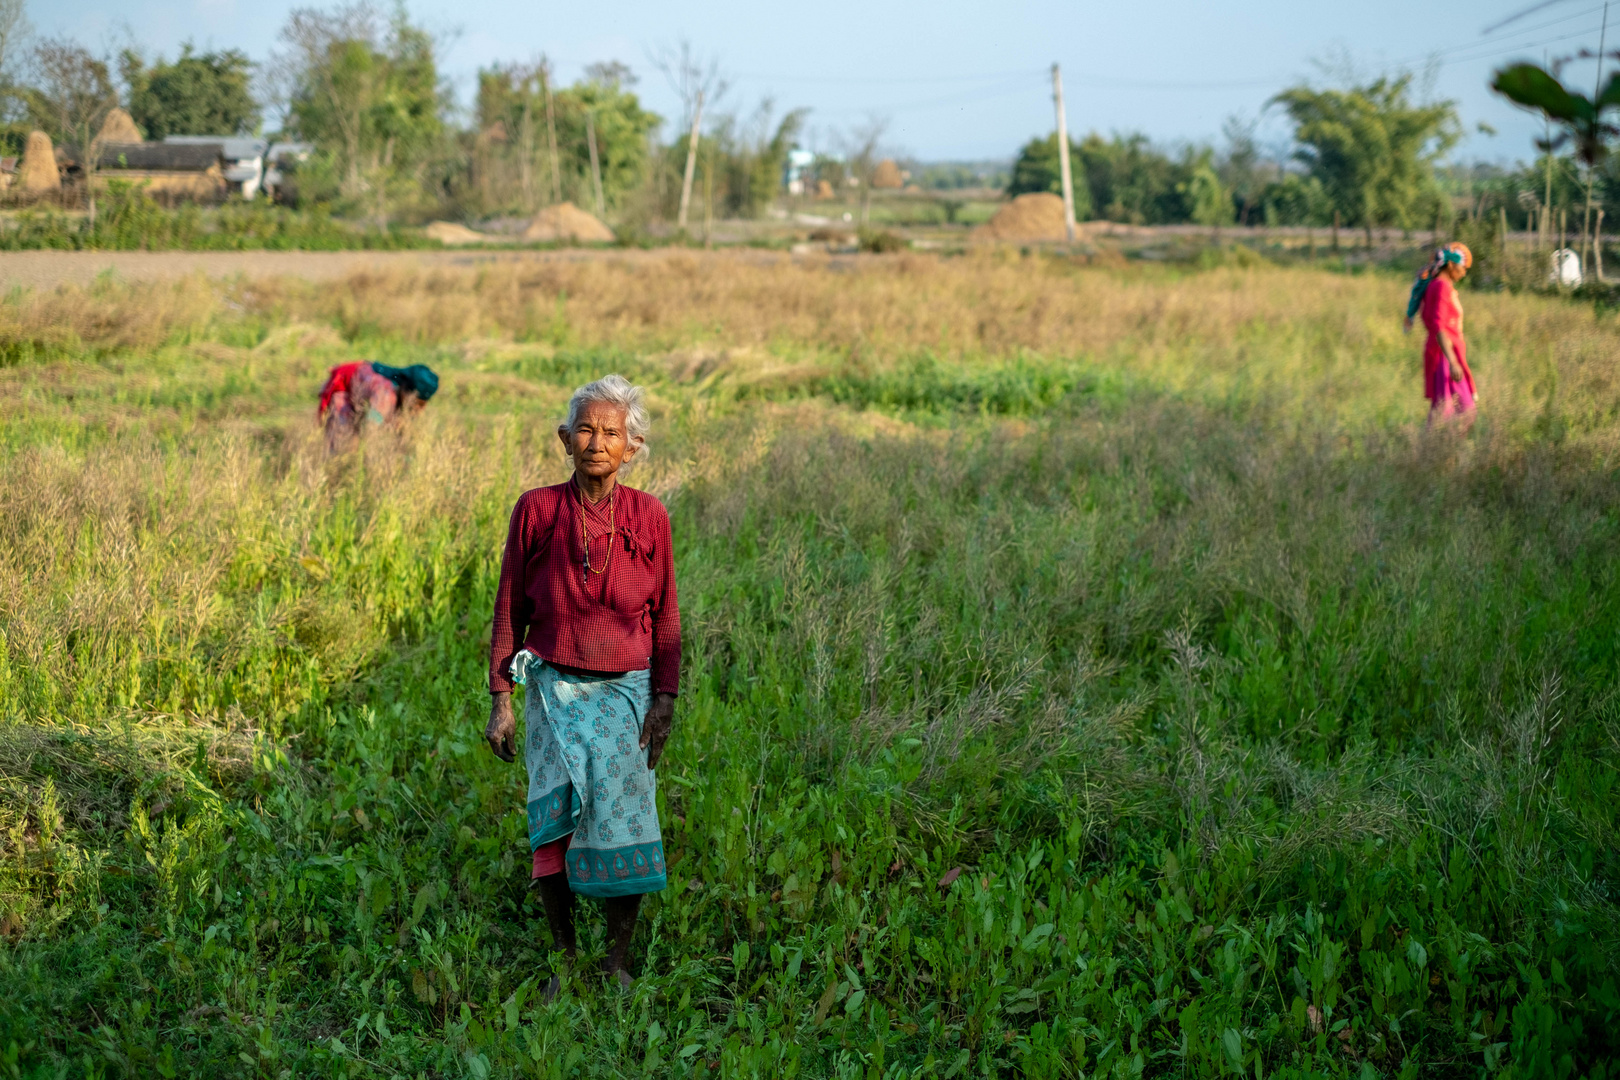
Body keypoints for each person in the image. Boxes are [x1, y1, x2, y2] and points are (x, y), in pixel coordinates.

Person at [484, 374, 679, 997]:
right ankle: (564, 961)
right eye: (587, 430)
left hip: (627, 693)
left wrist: (665, 701)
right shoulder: (537, 510)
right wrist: (500, 700)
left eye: (612, 432)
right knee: (554, 831)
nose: (598, 442)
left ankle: (617, 961)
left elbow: (666, 616)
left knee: (624, 825)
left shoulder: (650, 517)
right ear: (564, 440)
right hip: (551, 692)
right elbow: (509, 603)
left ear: (633, 447)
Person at [1405, 243, 1477, 429]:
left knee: (1445, 411)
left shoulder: (1437, 285)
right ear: (1452, 266)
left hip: (1444, 353)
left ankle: (1438, 452)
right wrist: (1452, 361)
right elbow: (1438, 326)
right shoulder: (1442, 287)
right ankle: (1435, 452)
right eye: (1463, 267)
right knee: (1461, 411)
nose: (1464, 272)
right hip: (1444, 356)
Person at [317, 361, 439, 446]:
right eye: (417, 403)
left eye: (423, 404)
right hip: (343, 392)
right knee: (344, 446)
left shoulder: (399, 387)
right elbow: (370, 431)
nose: (419, 409)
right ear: (405, 390)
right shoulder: (385, 395)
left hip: (360, 400)